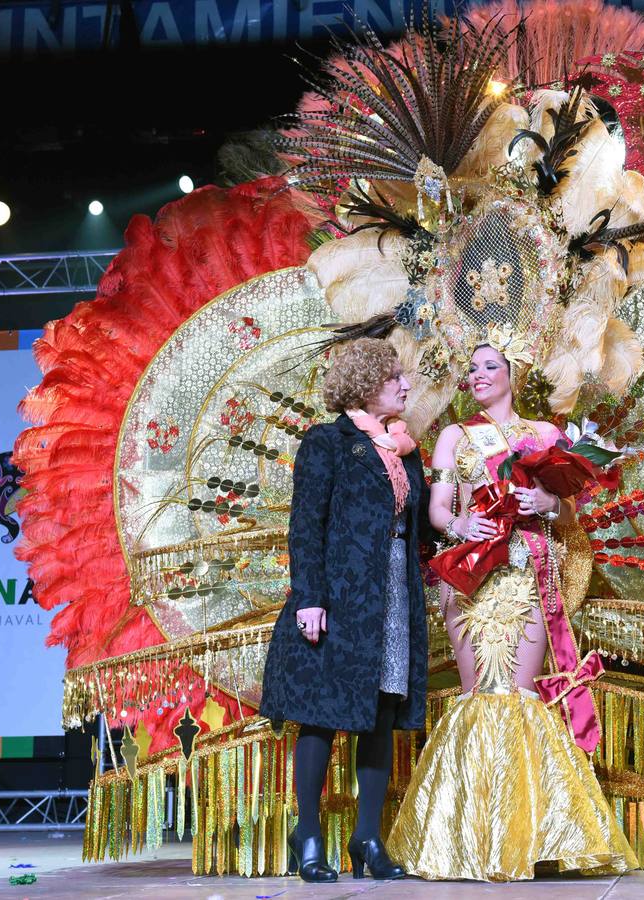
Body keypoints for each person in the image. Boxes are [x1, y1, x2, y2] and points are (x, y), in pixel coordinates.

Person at [385, 343, 637, 881]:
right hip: (471, 575)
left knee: (517, 697)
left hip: (527, 576)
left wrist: (546, 505)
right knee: (478, 696)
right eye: (472, 369)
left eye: (489, 367)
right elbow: (437, 510)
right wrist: (459, 527)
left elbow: (567, 509)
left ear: (512, 376)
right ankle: (466, 840)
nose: (477, 376)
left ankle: (523, 835)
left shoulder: (546, 437)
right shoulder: (455, 435)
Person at [259, 337, 428, 883]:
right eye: (393, 377)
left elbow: (415, 526)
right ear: (364, 384)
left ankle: (366, 838)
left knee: (381, 711)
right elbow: (306, 524)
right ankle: (307, 832)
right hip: (340, 596)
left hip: (393, 596)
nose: (405, 385)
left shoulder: (406, 448)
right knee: (323, 713)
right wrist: (309, 596)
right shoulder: (327, 443)